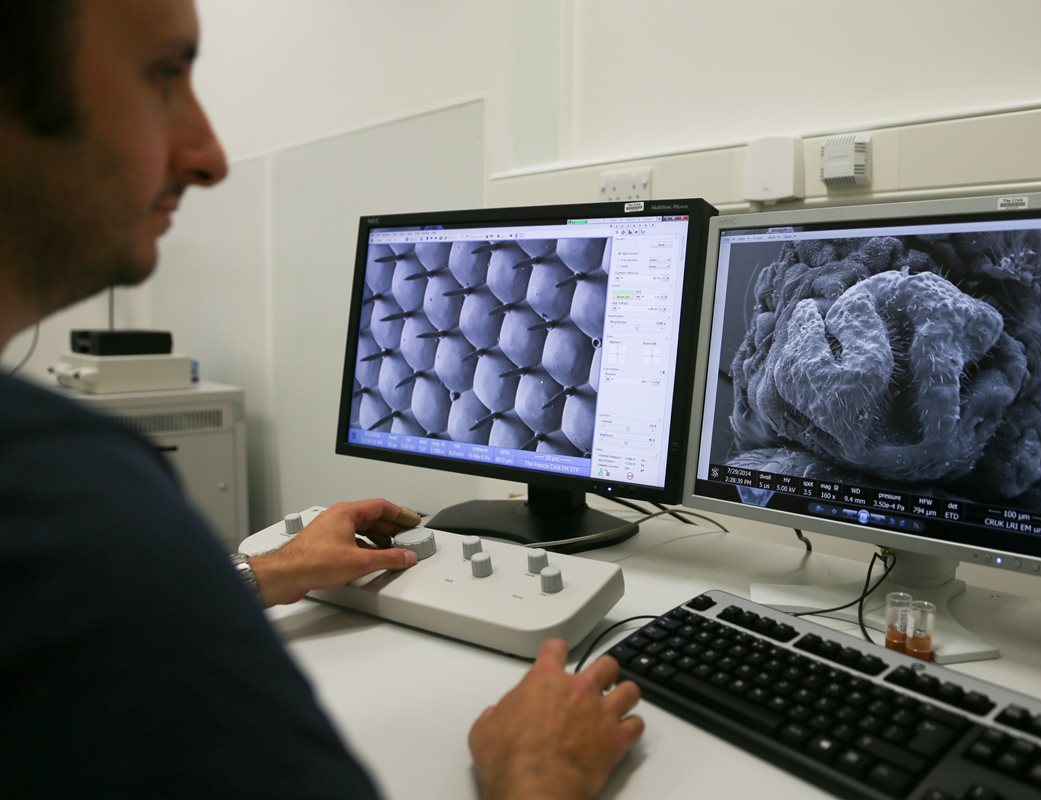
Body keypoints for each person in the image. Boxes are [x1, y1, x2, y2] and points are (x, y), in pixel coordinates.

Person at [0, 2, 643, 798]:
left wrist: (258, 573)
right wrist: (541, 774)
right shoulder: (65, 501)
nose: (210, 157)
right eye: (164, 76)